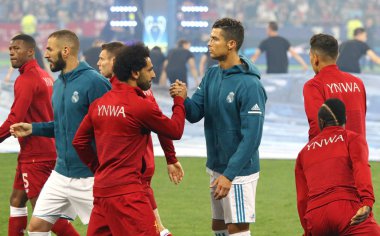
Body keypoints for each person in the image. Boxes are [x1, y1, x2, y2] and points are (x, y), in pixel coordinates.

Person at [72, 43, 186, 236]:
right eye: (149, 70)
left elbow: (79, 142)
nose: (153, 75)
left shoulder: (99, 104)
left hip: (102, 193)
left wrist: (100, 168)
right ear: (135, 73)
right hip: (129, 193)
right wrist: (179, 101)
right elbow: (174, 130)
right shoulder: (140, 105)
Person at [171, 18, 267, 236]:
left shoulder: (250, 85)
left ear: (231, 44)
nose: (209, 43)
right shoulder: (212, 74)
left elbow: (252, 137)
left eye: (215, 39)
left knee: (237, 227)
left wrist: (230, 174)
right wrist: (184, 98)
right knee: (219, 225)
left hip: (240, 171)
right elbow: (195, 113)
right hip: (216, 166)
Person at [10, 30, 111, 235]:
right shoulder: (58, 84)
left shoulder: (95, 82)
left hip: (89, 177)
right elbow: (62, 126)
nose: (45, 54)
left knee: (110, 230)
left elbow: (111, 128)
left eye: (49, 49)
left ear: (66, 51)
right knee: (37, 226)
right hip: (60, 174)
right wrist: (33, 128)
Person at [2, 34, 78, 236]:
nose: (11, 51)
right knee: (17, 200)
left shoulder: (26, 79)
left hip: (36, 155)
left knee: (45, 215)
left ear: (30, 52)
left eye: (17, 48)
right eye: (10, 48)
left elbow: (14, 120)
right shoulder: (44, 76)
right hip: (43, 149)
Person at [295, 98, 380, 236]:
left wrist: (307, 229)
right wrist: (367, 201)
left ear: (321, 122)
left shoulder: (303, 152)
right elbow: (361, 167)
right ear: (344, 119)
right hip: (346, 209)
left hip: (316, 217)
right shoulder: (352, 138)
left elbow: (302, 198)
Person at [304, 33, 366, 141]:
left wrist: (312, 154)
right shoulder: (358, 83)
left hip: (332, 154)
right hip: (359, 153)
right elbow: (360, 118)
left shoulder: (314, 85)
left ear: (315, 58)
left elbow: (317, 126)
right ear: (337, 55)